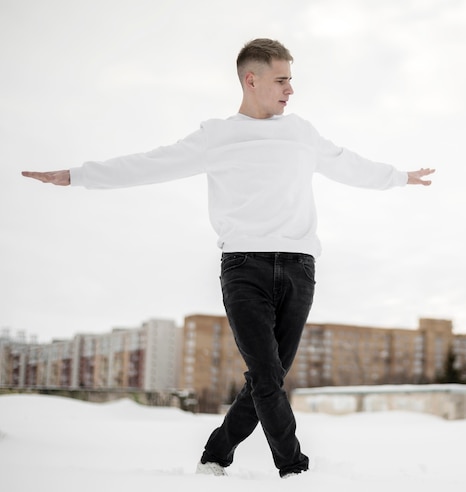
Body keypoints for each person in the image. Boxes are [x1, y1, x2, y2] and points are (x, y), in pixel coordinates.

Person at [22, 38, 435, 478]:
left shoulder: (301, 133)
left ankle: (215, 455)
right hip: (243, 269)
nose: (290, 90)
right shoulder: (216, 136)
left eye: (291, 80)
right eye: (281, 80)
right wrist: (78, 175)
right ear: (250, 79)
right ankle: (294, 469)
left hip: (300, 269)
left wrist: (398, 177)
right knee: (268, 375)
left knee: (264, 379)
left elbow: (348, 163)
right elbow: (149, 164)